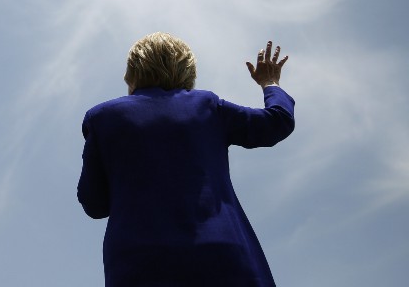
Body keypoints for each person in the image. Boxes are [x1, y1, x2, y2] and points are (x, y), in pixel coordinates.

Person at [77, 32, 294, 286]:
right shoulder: (206, 106)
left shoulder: (102, 118)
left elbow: (94, 203)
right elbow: (276, 122)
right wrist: (270, 83)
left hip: (139, 263)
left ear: (133, 71)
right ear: (186, 69)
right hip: (222, 256)